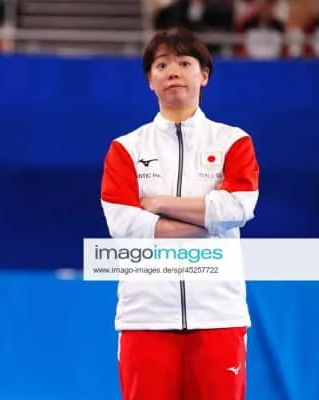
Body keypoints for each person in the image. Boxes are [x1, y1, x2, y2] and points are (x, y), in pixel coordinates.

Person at [100, 27, 259, 400]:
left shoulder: (233, 141)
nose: (173, 71)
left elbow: (237, 207)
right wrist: (207, 221)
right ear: (150, 81)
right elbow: (123, 224)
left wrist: (158, 204)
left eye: (184, 63)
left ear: (204, 75)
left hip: (219, 316)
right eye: (162, 65)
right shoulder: (125, 148)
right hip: (145, 317)